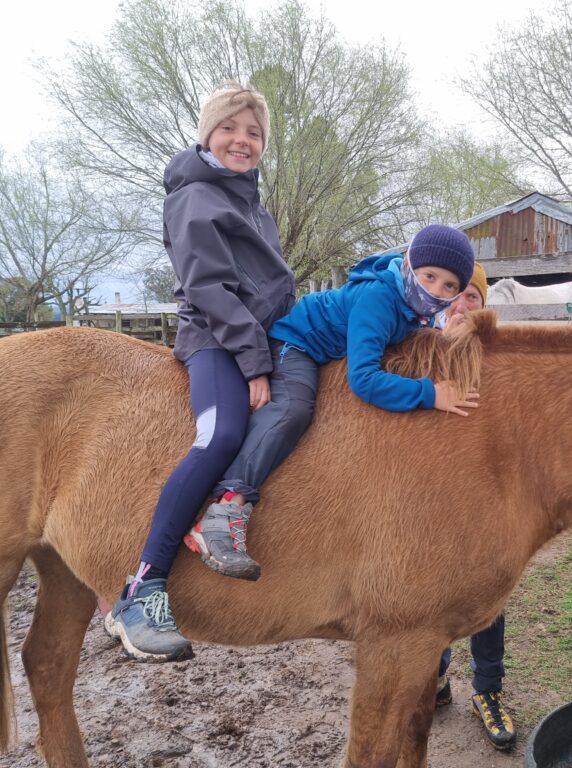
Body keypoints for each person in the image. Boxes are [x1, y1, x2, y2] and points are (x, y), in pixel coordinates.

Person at [109, 82, 294, 662]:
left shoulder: (250, 203)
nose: (242, 140)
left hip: (256, 336)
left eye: (254, 133)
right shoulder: (194, 197)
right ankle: (143, 589)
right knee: (220, 434)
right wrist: (254, 362)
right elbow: (210, 288)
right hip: (215, 339)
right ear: (207, 134)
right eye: (229, 128)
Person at [183, 224, 482, 580]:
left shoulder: (418, 306)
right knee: (293, 409)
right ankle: (223, 510)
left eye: (449, 286)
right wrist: (429, 393)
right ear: (409, 264)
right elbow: (364, 380)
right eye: (429, 276)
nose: (435, 290)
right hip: (296, 344)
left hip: (329, 351)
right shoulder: (379, 298)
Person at [434, 264, 516, 751]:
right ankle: (437, 675)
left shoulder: (498, 359)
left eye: (472, 297)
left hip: (485, 499)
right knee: (431, 592)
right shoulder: (416, 349)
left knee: (489, 599)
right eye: (454, 294)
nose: (461, 305)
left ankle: (488, 690)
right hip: (430, 498)